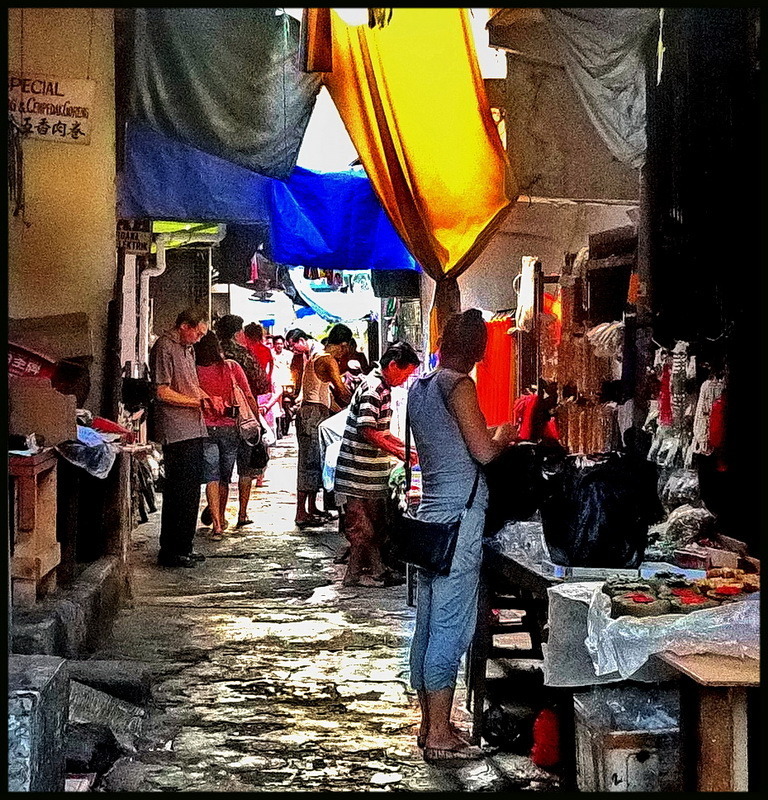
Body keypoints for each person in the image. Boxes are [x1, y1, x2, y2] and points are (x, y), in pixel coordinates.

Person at [406, 308, 516, 762]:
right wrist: (505, 435)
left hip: (431, 521)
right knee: (450, 628)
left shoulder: (420, 388)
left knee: (428, 624)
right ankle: (439, 733)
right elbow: (483, 452)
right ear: (478, 350)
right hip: (460, 520)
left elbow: (448, 447)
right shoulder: (459, 386)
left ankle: (429, 723)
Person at [334, 341, 420, 587]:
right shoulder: (374, 388)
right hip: (357, 472)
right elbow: (367, 430)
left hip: (369, 474)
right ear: (392, 366)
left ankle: (374, 571)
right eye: (405, 374)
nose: (404, 380)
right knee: (363, 528)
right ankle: (358, 575)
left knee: (373, 526)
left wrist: (406, 449)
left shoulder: (382, 388)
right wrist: (398, 451)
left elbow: (381, 431)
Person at [148, 308, 213, 568]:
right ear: (185, 326)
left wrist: (207, 398)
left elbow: (191, 385)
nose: (199, 338)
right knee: (178, 491)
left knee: (191, 492)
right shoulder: (165, 347)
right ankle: (171, 549)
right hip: (176, 429)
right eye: (198, 332)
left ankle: (185, 544)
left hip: (194, 427)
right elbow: (162, 391)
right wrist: (195, 402)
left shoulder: (188, 349)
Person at [285, 324, 353, 528]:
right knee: (309, 463)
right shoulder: (327, 359)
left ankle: (311, 508)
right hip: (312, 414)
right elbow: (341, 390)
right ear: (343, 345)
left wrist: (345, 410)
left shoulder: (316, 356)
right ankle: (301, 512)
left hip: (314, 412)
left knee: (315, 461)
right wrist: (358, 401)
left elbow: (327, 396)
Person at [194, 330, 261, 539]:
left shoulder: (194, 370)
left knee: (211, 477)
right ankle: (222, 517)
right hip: (229, 428)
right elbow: (248, 395)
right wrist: (257, 422)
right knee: (224, 478)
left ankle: (217, 525)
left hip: (204, 428)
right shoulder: (230, 367)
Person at [211, 314, 269, 529]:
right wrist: (257, 421)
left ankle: (219, 516)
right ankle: (242, 514)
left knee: (221, 473)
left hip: (217, 416)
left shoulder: (211, 353)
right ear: (238, 333)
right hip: (244, 417)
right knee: (245, 468)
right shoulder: (243, 355)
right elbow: (261, 384)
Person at [271, 334, 295, 437]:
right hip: (275, 384)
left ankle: (286, 428)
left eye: (281, 344)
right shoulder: (270, 354)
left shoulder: (289, 355)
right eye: (277, 344)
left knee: (287, 404)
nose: (279, 346)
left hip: (287, 383)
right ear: (274, 344)